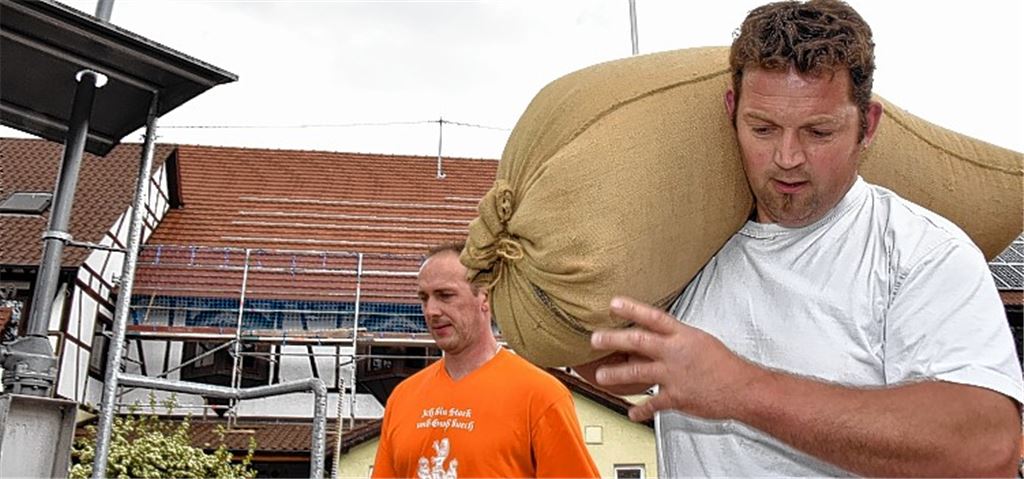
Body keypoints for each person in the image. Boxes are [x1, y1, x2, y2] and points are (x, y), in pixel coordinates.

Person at [575, 0, 1024, 476]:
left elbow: (987, 447)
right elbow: (613, 365)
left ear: (867, 125)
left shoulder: (919, 253)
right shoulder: (691, 242)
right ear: (732, 112)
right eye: (763, 128)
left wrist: (742, 390)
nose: (787, 157)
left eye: (818, 131)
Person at [371, 243, 600, 478]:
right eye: (424, 298)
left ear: (486, 297)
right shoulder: (403, 398)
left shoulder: (540, 396)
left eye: (445, 295)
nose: (431, 311)